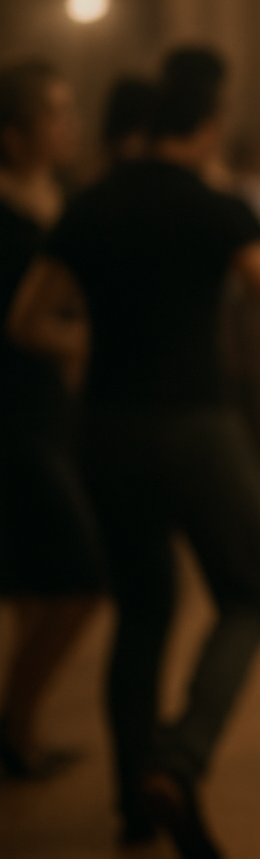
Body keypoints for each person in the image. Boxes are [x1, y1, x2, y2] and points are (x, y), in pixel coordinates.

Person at [9, 46, 260, 859]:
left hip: (103, 432)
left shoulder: (88, 205)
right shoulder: (218, 209)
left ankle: (134, 802)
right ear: (210, 123)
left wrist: (97, 341)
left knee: (142, 611)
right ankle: (183, 754)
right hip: (196, 431)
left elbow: (29, 321)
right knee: (252, 591)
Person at [0, 59, 103, 779]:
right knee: (78, 576)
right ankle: (13, 730)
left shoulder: (59, 194)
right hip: (8, 414)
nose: (70, 125)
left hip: (48, 408)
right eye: (55, 113)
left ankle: (18, 731)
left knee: (39, 582)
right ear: (13, 134)